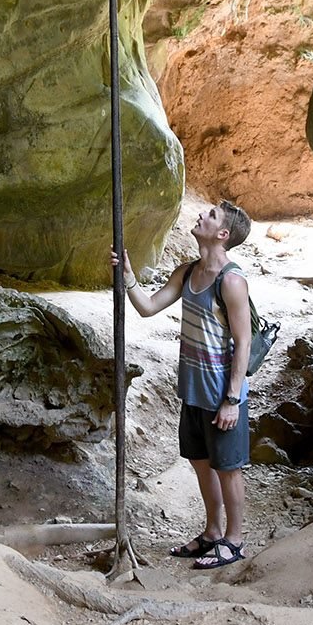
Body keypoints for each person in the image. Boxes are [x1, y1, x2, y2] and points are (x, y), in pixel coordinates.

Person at [113, 199, 253, 569]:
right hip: (193, 389)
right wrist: (127, 276)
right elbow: (147, 306)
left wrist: (232, 400)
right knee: (201, 463)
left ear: (222, 234)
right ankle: (211, 532)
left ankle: (235, 540)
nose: (200, 215)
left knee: (228, 467)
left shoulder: (232, 282)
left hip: (222, 393)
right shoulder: (186, 272)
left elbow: (244, 343)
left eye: (210, 216)